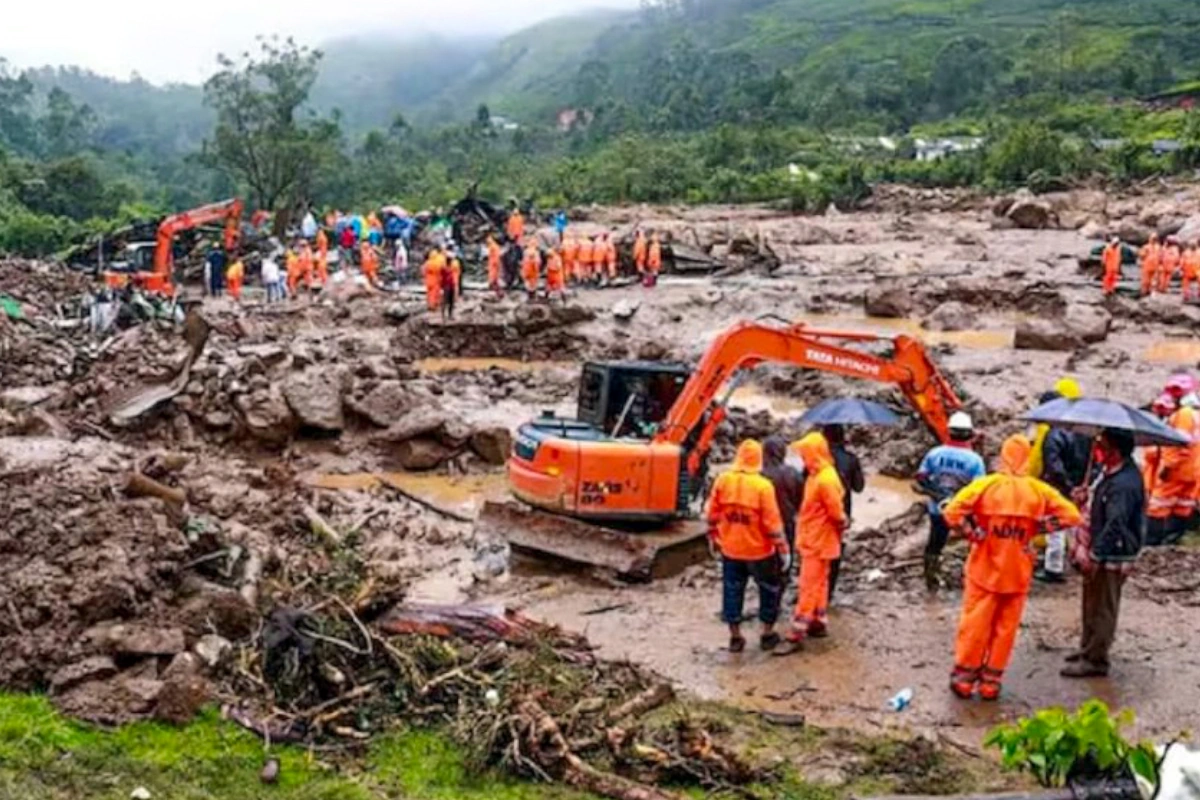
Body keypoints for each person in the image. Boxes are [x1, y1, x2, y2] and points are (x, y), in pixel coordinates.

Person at [942, 434, 1082, 700]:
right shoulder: (1038, 490)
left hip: (984, 567)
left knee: (975, 624)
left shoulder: (987, 485)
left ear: (1003, 456)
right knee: (1005, 629)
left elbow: (951, 513)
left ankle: (964, 678)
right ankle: (990, 683)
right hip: (1018, 570)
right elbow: (1072, 515)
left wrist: (972, 533)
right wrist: (1038, 528)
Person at [1062, 429, 1144, 678]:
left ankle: (1096, 659)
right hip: (1101, 547)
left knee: (1103, 606)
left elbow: (1116, 523)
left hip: (1112, 553)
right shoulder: (1110, 474)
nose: (1097, 450)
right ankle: (1088, 647)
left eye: (1102, 446)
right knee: (1091, 600)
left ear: (1114, 451)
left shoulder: (1125, 484)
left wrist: (1097, 554)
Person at [706, 439, 788, 653]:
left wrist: (714, 537)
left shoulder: (723, 481)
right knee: (769, 589)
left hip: (731, 549)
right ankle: (767, 633)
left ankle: (735, 636)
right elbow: (773, 523)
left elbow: (711, 514)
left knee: (732, 590)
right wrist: (783, 549)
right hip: (760, 551)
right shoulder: (763, 487)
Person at [779, 432, 846, 652]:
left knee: (808, 585)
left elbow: (837, 514)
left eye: (805, 454)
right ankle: (818, 622)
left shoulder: (825, 479)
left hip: (818, 540)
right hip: (817, 538)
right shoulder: (818, 475)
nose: (802, 458)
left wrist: (842, 523)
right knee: (820, 582)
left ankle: (797, 632)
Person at [1028, 378, 1091, 583]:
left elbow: (1053, 465)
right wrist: (1081, 485)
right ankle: (1075, 558)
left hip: (1060, 487)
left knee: (1055, 529)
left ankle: (1053, 569)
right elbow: (1091, 459)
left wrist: (1064, 486)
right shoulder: (1083, 431)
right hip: (1079, 484)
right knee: (1074, 523)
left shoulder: (1053, 435)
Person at [917, 412, 987, 591]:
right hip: (965, 511)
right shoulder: (975, 460)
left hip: (938, 509)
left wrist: (938, 493)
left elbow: (921, 477)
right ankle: (974, 576)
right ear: (969, 433)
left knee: (935, 544)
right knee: (975, 541)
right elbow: (979, 489)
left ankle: (931, 580)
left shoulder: (935, 453)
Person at [1146, 375, 1199, 545]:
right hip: (1193, 470)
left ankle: (1152, 540)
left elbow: (1180, 444)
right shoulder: (1196, 415)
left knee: (1157, 505)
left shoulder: (1183, 415)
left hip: (1176, 471)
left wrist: (1167, 467)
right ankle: (1174, 537)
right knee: (1183, 505)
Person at [822, 424, 864, 601]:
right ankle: (828, 592)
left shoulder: (817, 459)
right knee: (835, 550)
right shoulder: (850, 459)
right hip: (841, 513)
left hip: (818, 513)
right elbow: (859, 487)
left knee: (817, 552)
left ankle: (816, 589)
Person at [761, 436, 804, 561]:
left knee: (767, 554)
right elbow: (801, 499)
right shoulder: (793, 473)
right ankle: (786, 575)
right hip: (787, 518)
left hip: (764, 522)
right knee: (787, 551)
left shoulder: (759, 475)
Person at [423, 248, 445, 312]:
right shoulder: (437, 263)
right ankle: (433, 306)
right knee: (434, 293)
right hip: (435, 280)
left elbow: (423, 271)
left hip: (428, 280)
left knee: (429, 293)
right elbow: (440, 271)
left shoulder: (427, 263)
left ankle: (429, 304)